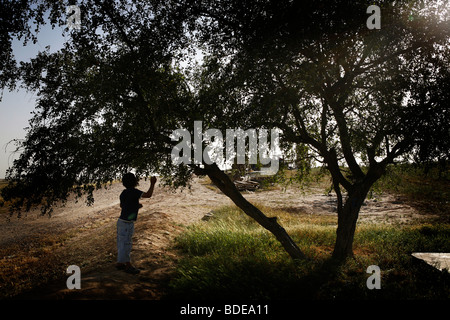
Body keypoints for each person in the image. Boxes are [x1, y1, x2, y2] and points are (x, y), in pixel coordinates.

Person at [116, 173, 157, 274]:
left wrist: (135, 206)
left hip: (121, 221)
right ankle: (128, 266)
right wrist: (152, 183)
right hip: (127, 223)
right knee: (127, 244)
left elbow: (122, 205)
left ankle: (120, 263)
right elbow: (148, 195)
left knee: (122, 243)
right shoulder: (134, 191)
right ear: (135, 182)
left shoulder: (123, 193)